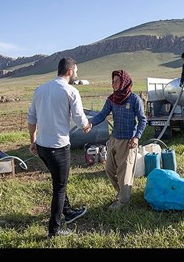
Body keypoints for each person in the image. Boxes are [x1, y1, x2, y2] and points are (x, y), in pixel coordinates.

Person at [27, 57, 91, 238]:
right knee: (59, 188)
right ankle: (53, 231)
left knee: (58, 180)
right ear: (70, 71)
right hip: (58, 148)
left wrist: (33, 140)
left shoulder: (40, 89)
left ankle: (68, 212)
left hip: (42, 147)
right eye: (76, 71)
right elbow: (79, 119)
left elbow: (31, 118)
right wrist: (86, 126)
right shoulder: (70, 91)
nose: (76, 74)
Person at [88, 70, 147, 210]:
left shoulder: (134, 100)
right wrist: (90, 123)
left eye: (116, 81)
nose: (113, 84)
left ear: (124, 82)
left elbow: (143, 120)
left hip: (128, 140)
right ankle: (121, 193)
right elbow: (102, 114)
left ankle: (123, 202)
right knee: (109, 169)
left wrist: (137, 137)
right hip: (114, 138)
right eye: (112, 81)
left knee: (124, 173)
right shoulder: (112, 99)